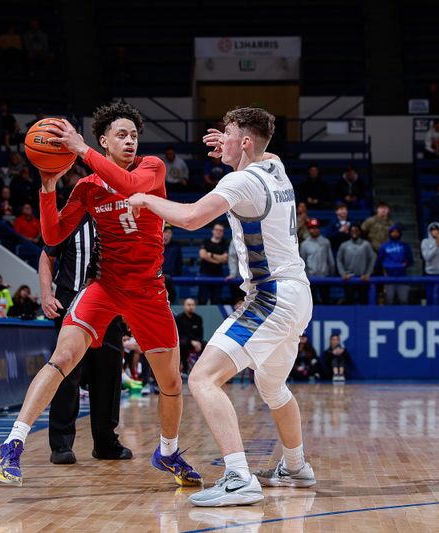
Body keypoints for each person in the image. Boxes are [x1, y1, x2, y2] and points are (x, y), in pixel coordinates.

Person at [0, 102, 201, 488]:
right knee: (62, 359)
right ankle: (12, 444)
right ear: (104, 141)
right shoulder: (87, 187)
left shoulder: (151, 168)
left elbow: (130, 188)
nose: (130, 141)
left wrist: (80, 149)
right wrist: (48, 188)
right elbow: (53, 237)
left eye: (134, 135)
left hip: (149, 291)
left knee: (171, 383)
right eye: (121, 135)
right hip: (105, 286)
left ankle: (167, 451)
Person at [128, 107, 316, 507]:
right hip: (298, 293)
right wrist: (233, 148)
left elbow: (193, 218)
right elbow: (261, 152)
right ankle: (296, 467)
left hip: (272, 296)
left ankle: (238, 477)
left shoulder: (242, 180)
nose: (220, 140)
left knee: (201, 379)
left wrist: (147, 200)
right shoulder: (275, 166)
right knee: (272, 386)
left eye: (227, 134)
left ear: (246, 142)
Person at [40, 214, 132, 465]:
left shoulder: (118, 220)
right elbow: (47, 256)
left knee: (109, 374)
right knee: (67, 373)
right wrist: (47, 294)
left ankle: (105, 443)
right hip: (71, 299)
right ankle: (60, 444)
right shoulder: (72, 219)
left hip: (109, 302)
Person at [336, 224, 376, 305]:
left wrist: (367, 274)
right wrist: (343, 274)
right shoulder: (344, 245)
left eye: (356, 231)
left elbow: (372, 259)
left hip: (362, 279)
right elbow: (339, 260)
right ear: (349, 232)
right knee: (349, 301)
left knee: (363, 300)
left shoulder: (366, 244)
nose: (354, 233)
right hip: (348, 279)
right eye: (352, 231)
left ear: (360, 232)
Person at [299, 218, 335, 305]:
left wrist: (331, 275)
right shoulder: (305, 244)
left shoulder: (326, 242)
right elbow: (302, 263)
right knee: (312, 303)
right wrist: (306, 277)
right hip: (311, 278)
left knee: (326, 301)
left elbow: (330, 261)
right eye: (312, 228)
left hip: (324, 277)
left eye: (316, 227)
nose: (314, 230)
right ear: (309, 229)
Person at [378, 225, 413, 304]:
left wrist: (405, 264)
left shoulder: (405, 246)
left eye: (397, 232)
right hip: (389, 277)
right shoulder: (384, 246)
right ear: (390, 233)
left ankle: (404, 316)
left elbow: (410, 260)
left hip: (402, 276)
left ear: (400, 233)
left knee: (403, 300)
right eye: (393, 232)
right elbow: (379, 261)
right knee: (389, 299)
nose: (395, 234)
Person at [198, 223, 229, 304]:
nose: (219, 232)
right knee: (202, 300)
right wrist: (218, 261)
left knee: (216, 300)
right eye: (217, 230)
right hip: (204, 274)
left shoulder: (224, 244)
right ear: (213, 231)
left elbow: (225, 259)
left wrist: (211, 255)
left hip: (218, 275)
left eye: (221, 230)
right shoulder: (205, 242)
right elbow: (203, 255)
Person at [176, 298, 204, 376]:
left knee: (207, 345)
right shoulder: (179, 318)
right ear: (184, 306)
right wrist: (191, 341)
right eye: (188, 305)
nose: (191, 307)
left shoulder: (198, 318)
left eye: (192, 305)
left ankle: (204, 369)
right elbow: (179, 334)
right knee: (183, 343)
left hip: (196, 342)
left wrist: (198, 342)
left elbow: (200, 333)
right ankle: (185, 368)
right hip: (185, 342)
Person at [162, 226, 182, 302]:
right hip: (157, 279)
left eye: (169, 232)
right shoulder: (156, 245)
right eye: (165, 232)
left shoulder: (176, 246)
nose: (167, 234)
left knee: (173, 302)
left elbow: (179, 262)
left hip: (172, 279)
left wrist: (178, 275)